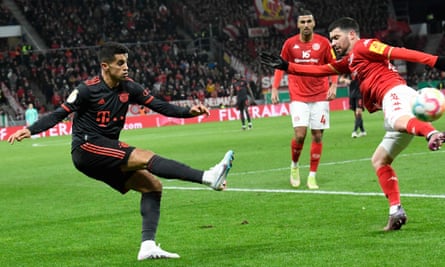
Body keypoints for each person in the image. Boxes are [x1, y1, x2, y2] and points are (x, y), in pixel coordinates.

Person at [8, 42, 235, 260]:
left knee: (152, 186)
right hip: (86, 148)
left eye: (126, 62)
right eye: (119, 63)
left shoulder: (130, 87)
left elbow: (159, 105)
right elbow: (59, 113)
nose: (125, 67)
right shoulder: (87, 90)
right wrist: (30, 129)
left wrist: (188, 112)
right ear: (105, 66)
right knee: (144, 156)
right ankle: (208, 177)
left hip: (105, 151)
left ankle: (147, 246)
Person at [261, 17, 445, 231]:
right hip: (394, 101)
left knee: (397, 120)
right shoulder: (349, 61)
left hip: (394, 93)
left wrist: (436, 61)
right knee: (379, 160)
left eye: (336, 37)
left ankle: (431, 133)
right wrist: (287, 66)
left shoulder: (365, 45)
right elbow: (321, 70)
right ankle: (396, 211)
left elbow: (397, 52)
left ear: (351, 34)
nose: (333, 43)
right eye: (331, 39)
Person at [270, 9, 338, 189]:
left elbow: (333, 65)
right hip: (299, 95)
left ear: (314, 23)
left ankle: (312, 176)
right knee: (300, 134)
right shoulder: (290, 44)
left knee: (317, 135)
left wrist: (333, 84)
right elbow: (279, 66)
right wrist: (275, 87)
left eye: (309, 21)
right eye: (303, 22)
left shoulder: (323, 43)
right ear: (298, 24)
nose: (306, 25)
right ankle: (294, 166)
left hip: (320, 95)